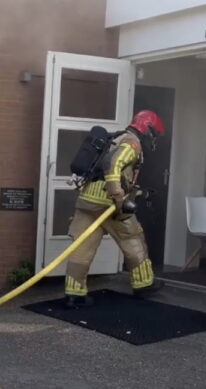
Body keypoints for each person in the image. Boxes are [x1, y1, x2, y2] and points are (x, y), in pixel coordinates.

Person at [64, 110, 165, 308]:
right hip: (109, 205)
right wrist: (118, 198)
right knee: (133, 239)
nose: (154, 141)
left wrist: (140, 193)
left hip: (87, 201)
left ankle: (74, 293)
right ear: (148, 130)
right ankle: (143, 284)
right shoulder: (132, 143)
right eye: (154, 135)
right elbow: (112, 164)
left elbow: (117, 175)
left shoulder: (116, 138)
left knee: (82, 249)